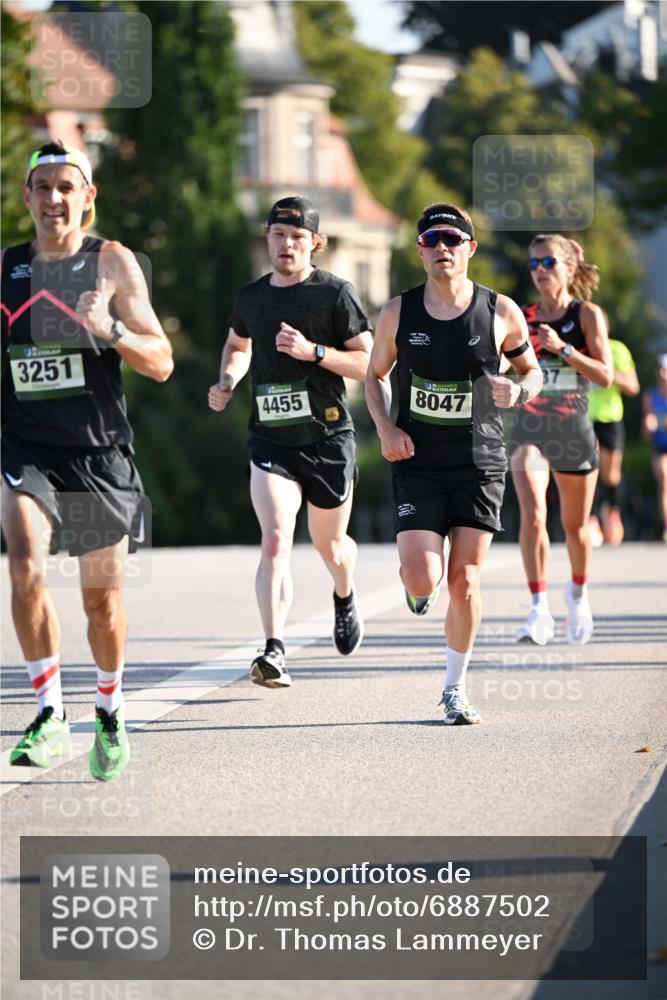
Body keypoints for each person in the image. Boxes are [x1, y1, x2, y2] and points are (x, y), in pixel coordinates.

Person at [1, 141, 173, 780]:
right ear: (26, 196)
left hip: (101, 456)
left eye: (65, 187)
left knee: (101, 603)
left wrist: (113, 331)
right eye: (41, 187)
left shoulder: (113, 263)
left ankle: (108, 707)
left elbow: (162, 363)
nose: (53, 199)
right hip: (27, 451)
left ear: (87, 196)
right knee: (25, 567)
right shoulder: (6, 270)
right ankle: (48, 712)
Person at [365, 203, 542, 725]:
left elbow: (531, 372)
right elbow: (374, 376)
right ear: (420, 250)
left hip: (479, 461)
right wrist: (385, 428)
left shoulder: (500, 311)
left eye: (452, 238)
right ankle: (417, 585)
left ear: (470, 248)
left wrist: (520, 390)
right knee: (424, 579)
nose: (442, 247)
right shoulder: (398, 312)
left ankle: (454, 688)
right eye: (431, 240)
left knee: (464, 581)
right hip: (417, 460)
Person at [208, 196, 372, 688]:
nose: (286, 245)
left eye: (298, 238)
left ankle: (344, 592)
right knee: (276, 538)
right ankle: (273, 647)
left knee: (332, 546)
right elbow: (238, 344)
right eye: (279, 235)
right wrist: (228, 379)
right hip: (270, 440)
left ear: (314, 244)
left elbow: (368, 364)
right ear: (268, 238)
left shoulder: (335, 294)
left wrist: (314, 352)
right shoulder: (251, 297)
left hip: (326, 438)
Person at [509, 235, 612, 646]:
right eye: (534, 263)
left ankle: (578, 595)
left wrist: (564, 348)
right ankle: (538, 609)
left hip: (573, 431)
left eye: (548, 262)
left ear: (569, 267)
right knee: (532, 515)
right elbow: (505, 360)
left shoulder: (586, 315)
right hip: (530, 430)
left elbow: (605, 376)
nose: (539, 270)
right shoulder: (523, 316)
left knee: (575, 528)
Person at [588, 338, 640, 546]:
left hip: (611, 418)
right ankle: (591, 520)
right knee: (590, 467)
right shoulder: (578, 348)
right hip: (584, 417)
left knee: (611, 474)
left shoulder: (617, 349)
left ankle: (612, 514)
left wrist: (609, 374)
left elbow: (633, 387)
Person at [643, 353, 667, 543]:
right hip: (660, 446)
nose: (662, 372)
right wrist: (649, 424)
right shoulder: (651, 395)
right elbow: (647, 427)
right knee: (664, 482)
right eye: (660, 368)